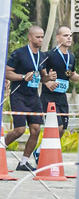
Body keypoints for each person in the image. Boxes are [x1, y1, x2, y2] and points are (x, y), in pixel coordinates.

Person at [4, 25, 55, 172]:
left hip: (33, 97)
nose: (40, 39)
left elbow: (42, 78)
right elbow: (6, 72)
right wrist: (22, 77)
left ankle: (24, 162)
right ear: (30, 37)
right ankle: (1, 147)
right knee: (19, 130)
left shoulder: (42, 56)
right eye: (37, 37)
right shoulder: (19, 53)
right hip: (18, 95)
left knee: (36, 129)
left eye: (42, 37)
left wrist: (49, 78)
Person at [41, 26, 79, 135]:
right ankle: (45, 146)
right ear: (58, 38)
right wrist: (47, 82)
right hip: (49, 96)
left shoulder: (71, 57)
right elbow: (39, 72)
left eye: (70, 35)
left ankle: (45, 146)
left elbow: (70, 74)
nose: (69, 38)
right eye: (65, 35)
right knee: (57, 127)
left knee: (63, 129)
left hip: (62, 97)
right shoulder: (49, 55)